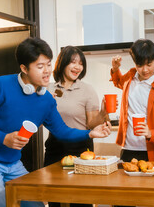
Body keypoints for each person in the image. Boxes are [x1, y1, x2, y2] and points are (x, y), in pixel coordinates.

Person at [0, 37, 111, 207]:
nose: (47, 71)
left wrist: (90, 133)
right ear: (24, 68)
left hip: (12, 163)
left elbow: (62, 131)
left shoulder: (46, 99)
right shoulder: (0, 86)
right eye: (40, 67)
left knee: (36, 205)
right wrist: (4, 138)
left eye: (48, 64)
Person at [44, 46, 109, 207]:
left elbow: (91, 123)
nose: (77, 67)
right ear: (63, 63)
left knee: (81, 199)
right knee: (53, 197)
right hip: (55, 148)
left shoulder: (87, 90)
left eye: (81, 63)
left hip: (81, 149)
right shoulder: (49, 89)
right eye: (73, 62)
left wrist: (102, 114)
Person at [110, 39, 154, 162]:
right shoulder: (131, 76)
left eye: (149, 64)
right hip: (128, 148)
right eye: (139, 65)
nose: (144, 70)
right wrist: (115, 69)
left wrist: (150, 133)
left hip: (153, 152)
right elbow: (119, 83)